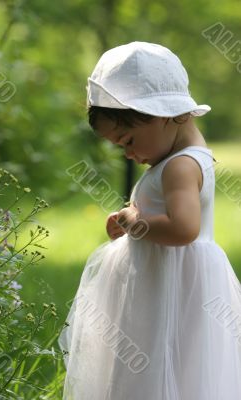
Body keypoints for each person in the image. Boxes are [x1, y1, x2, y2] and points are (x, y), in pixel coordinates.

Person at [58, 42, 241, 399]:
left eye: (128, 140)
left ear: (167, 114)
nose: (128, 153)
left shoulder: (181, 166)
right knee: (155, 362)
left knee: (167, 362)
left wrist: (135, 220)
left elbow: (183, 229)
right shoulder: (172, 160)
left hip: (173, 288)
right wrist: (129, 225)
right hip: (161, 282)